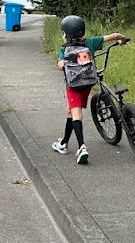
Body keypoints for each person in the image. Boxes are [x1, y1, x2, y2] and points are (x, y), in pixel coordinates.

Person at [52, 15, 127, 165]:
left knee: (76, 113)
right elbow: (113, 36)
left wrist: (63, 64)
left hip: (73, 86)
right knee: (70, 110)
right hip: (88, 84)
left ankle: (82, 147)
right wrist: (121, 39)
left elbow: (60, 64)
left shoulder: (64, 48)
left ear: (66, 33)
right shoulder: (91, 42)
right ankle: (64, 142)